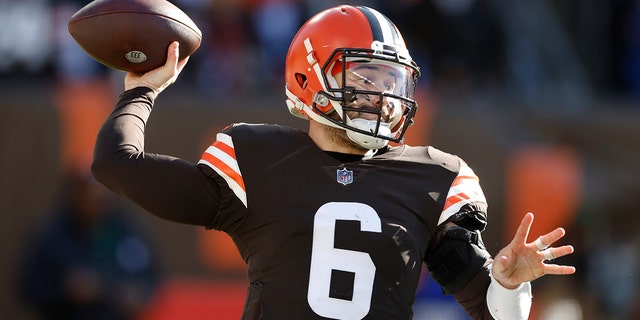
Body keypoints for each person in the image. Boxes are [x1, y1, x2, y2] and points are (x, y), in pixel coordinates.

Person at [91, 5, 575, 319]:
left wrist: (510, 285)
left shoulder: (435, 178)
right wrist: (143, 90)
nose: (384, 96)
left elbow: (494, 314)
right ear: (309, 77)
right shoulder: (255, 160)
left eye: (393, 81)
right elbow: (117, 165)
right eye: (366, 77)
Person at [18, 165, 161, 320]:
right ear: (74, 195)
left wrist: (140, 294)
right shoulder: (51, 235)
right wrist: (64, 289)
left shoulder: (127, 231)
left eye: (100, 196)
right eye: (87, 195)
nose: (93, 202)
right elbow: (27, 286)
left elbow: (152, 278)